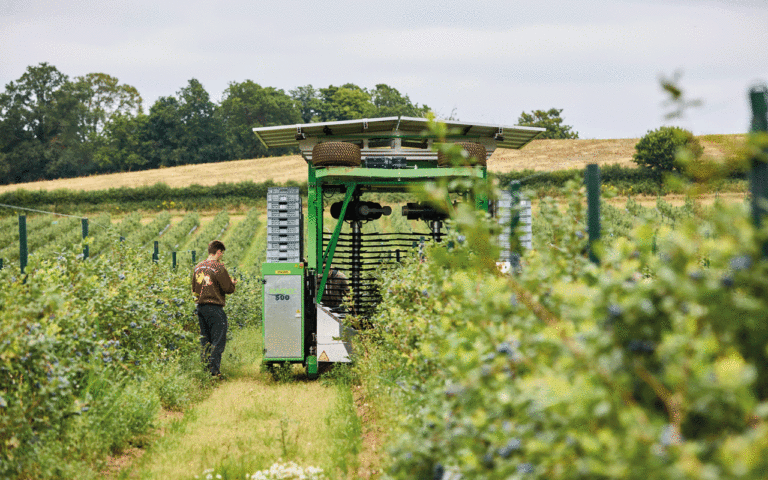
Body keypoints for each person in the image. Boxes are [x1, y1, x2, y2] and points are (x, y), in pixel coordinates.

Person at [192, 240, 237, 377]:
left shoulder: (197, 267)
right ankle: (214, 372)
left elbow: (194, 289)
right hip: (215, 308)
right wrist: (232, 283)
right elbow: (228, 289)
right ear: (218, 252)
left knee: (205, 340)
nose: (221, 256)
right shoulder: (218, 268)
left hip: (200, 307)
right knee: (218, 341)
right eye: (221, 253)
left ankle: (205, 371)